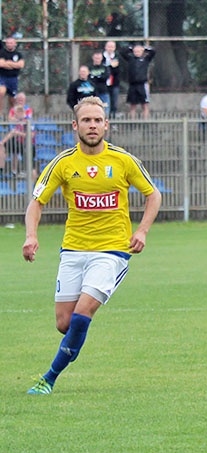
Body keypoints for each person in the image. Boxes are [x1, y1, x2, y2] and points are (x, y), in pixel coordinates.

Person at [22, 97, 161, 395]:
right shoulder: (64, 162)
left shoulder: (123, 160)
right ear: (75, 125)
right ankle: (72, 339)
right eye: (86, 120)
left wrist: (143, 231)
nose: (93, 125)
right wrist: (31, 236)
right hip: (73, 250)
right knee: (65, 323)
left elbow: (154, 195)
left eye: (98, 120)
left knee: (83, 314)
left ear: (106, 124)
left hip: (111, 252)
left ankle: (48, 378)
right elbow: (36, 202)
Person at [0, 103, 35, 178]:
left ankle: (29, 176)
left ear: (20, 113)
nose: (15, 117)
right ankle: (3, 170)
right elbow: (12, 133)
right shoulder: (18, 122)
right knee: (3, 148)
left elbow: (31, 135)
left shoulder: (28, 121)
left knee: (32, 167)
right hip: (19, 143)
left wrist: (18, 133)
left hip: (28, 145)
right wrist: (2, 142)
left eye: (16, 114)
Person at [124, 43, 155, 118]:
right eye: (135, 51)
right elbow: (122, 52)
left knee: (144, 104)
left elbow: (153, 52)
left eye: (139, 51)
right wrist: (131, 48)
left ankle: (145, 122)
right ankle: (132, 122)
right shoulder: (130, 59)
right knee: (132, 105)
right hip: (132, 85)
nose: (137, 53)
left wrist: (144, 48)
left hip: (142, 84)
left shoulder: (146, 59)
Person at [0, 36, 25, 112]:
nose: (9, 44)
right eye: (7, 43)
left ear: (15, 44)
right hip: (2, 77)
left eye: (11, 43)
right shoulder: (2, 53)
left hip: (13, 78)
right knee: (1, 92)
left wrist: (8, 63)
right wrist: (14, 65)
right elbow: (1, 64)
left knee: (13, 99)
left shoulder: (18, 54)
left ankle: (12, 116)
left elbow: (21, 65)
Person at [87, 51, 111, 115]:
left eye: (99, 58)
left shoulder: (105, 68)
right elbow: (88, 78)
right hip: (92, 92)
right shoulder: (89, 67)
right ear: (93, 58)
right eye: (96, 58)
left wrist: (95, 77)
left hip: (103, 91)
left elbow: (106, 76)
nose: (97, 60)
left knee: (105, 111)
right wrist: (99, 77)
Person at [102, 41, 121, 118]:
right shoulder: (101, 57)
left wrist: (114, 67)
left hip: (114, 83)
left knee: (114, 103)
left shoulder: (117, 57)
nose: (110, 48)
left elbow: (119, 70)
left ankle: (113, 121)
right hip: (103, 84)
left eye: (112, 47)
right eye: (109, 46)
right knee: (105, 104)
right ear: (105, 47)